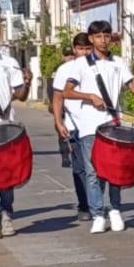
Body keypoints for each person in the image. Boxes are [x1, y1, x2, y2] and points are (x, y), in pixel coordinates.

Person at [58, 19, 134, 235]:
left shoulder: (118, 62)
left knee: (114, 170)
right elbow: (66, 91)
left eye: (106, 36)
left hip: (113, 124)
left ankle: (114, 208)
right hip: (89, 126)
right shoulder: (80, 64)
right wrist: (89, 96)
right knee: (92, 171)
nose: (103, 40)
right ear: (91, 39)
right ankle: (97, 213)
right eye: (98, 36)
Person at [51, 34, 92, 221]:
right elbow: (58, 98)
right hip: (74, 125)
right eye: (81, 49)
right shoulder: (64, 70)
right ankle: (85, 204)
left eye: (87, 48)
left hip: (95, 124)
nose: (84, 52)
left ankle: (96, 201)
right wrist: (58, 122)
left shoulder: (98, 66)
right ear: (74, 49)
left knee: (97, 166)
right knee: (79, 167)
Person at [0, 49, 30, 237]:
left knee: (6, 174)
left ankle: (6, 213)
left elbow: (21, 94)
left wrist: (27, 81)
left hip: (6, 123)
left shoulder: (9, 62)